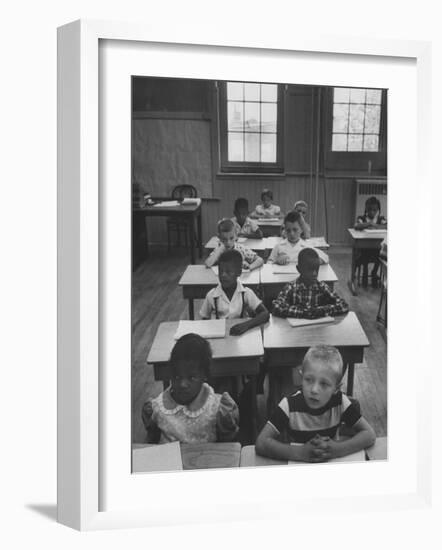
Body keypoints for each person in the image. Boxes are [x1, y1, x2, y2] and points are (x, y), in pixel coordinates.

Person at [255, 345, 376, 462]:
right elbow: (261, 443)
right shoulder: (288, 405)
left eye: (324, 384)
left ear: (336, 389)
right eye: (308, 380)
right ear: (301, 377)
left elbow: (369, 435)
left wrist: (337, 450)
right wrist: (301, 453)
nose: (314, 390)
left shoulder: (341, 402)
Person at [141, 333, 239, 443]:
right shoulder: (157, 408)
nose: (183, 384)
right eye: (177, 376)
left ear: (204, 376)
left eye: (191, 378)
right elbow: (152, 441)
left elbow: (228, 446)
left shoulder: (217, 408)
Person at [200, 249, 269, 335]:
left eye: (228, 272)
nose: (223, 275)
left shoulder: (246, 293)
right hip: (219, 336)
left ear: (239, 272)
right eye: (221, 271)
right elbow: (203, 319)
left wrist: (246, 325)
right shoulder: (211, 295)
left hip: (240, 336)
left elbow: (265, 314)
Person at [272, 248, 348, 318]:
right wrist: (303, 313)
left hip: (317, 329)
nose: (315, 273)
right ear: (299, 269)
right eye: (310, 270)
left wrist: (322, 311)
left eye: (317, 269)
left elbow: (343, 305)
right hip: (297, 330)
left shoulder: (321, 286)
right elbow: (276, 307)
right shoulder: (291, 287)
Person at [354, 196, 387, 287]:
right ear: (366, 209)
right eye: (369, 209)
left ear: (378, 210)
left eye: (374, 210)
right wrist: (369, 223)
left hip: (376, 249)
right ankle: (365, 271)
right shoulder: (362, 218)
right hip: (364, 250)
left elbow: (387, 226)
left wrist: (376, 226)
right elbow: (357, 225)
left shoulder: (381, 219)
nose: (372, 212)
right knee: (364, 254)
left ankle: (374, 272)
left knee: (381, 255)